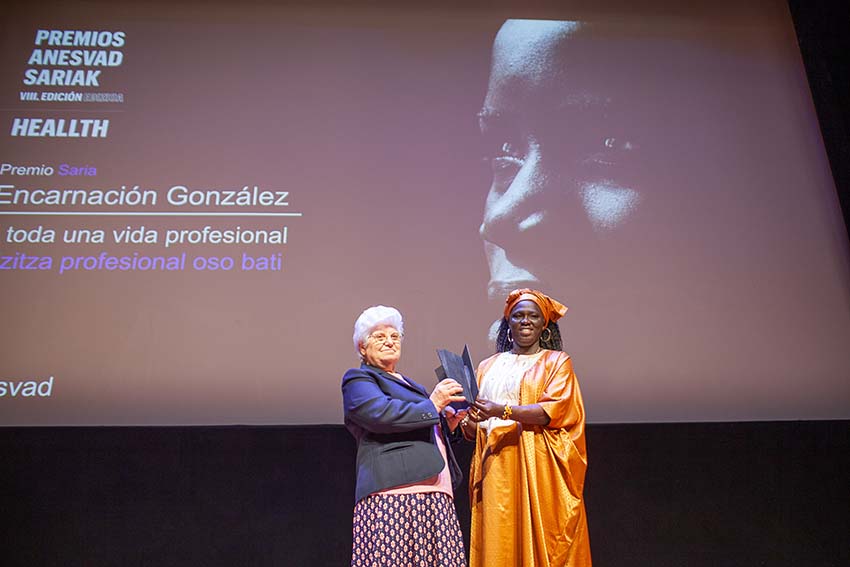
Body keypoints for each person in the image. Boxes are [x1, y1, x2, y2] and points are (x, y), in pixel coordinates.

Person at [461, 288, 591, 566]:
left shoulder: (557, 362)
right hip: (495, 466)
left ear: (545, 325)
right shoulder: (487, 366)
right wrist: (470, 421)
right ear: (508, 324)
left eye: (533, 316)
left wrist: (501, 410)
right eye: (518, 316)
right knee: (500, 543)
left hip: (536, 465)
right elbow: (472, 427)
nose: (525, 321)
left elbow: (549, 412)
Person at [341, 305, 469, 567]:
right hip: (394, 494)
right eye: (379, 336)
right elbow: (380, 414)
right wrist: (432, 405)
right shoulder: (358, 379)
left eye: (394, 336)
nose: (389, 341)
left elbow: (418, 423)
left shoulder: (410, 384)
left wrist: (447, 426)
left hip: (434, 491)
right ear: (362, 347)